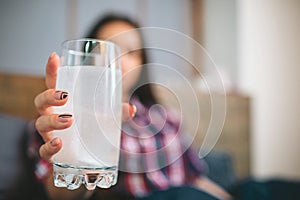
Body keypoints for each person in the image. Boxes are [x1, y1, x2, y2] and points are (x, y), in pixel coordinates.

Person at [31, 14, 231, 200]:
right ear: (87, 57)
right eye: (109, 48)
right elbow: (57, 194)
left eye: (131, 52)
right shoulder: (60, 117)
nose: (119, 59)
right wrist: (75, 147)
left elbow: (196, 180)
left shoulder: (168, 118)